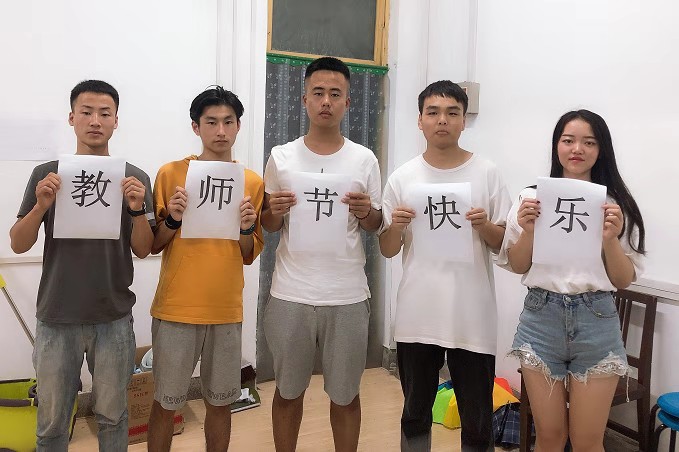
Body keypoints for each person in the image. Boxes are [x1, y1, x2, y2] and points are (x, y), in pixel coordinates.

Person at [9, 80, 155, 452]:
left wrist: (137, 209)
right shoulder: (48, 174)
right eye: (86, 112)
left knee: (113, 418)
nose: (95, 121)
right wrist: (41, 206)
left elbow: (144, 249)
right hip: (57, 316)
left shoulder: (135, 178)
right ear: (72, 118)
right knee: (52, 423)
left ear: (116, 121)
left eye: (104, 113)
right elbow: (18, 243)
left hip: (113, 317)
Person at [499, 109, 646, 451]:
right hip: (541, 318)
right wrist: (529, 230)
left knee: (587, 441)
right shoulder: (530, 198)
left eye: (588, 142)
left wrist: (610, 239)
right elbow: (518, 264)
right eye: (568, 140)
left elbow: (622, 279)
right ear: (557, 146)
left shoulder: (615, 205)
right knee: (549, 436)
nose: (577, 149)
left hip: (597, 320)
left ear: (601, 149)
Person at [379, 80, 511, 452]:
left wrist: (484, 226)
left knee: (477, 418)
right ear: (419, 120)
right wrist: (396, 226)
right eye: (433, 112)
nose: (442, 120)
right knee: (415, 413)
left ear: (463, 120)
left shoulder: (487, 172)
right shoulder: (403, 177)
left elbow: (504, 243)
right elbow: (387, 249)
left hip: (472, 316)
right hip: (417, 315)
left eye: (452, 113)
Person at [261, 56, 382, 452]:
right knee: (287, 392)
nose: (326, 101)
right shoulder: (281, 156)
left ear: (348, 102)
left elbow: (374, 223)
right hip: (290, 292)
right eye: (318, 93)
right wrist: (273, 210)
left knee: (346, 396)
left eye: (335, 93)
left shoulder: (364, 159)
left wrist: (366, 212)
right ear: (304, 100)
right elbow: (270, 225)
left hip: (347, 295)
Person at [146, 86, 264, 452]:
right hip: (176, 307)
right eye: (211, 122)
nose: (221, 131)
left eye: (229, 122)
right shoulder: (171, 174)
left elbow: (248, 253)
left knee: (221, 403)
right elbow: (154, 244)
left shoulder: (251, 182)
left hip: (225, 309)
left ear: (239, 125)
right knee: (166, 403)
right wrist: (174, 218)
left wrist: (245, 228)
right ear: (196, 127)